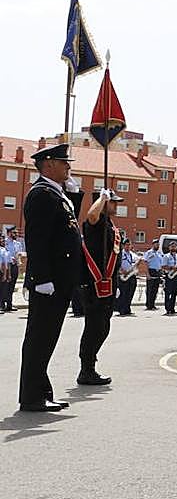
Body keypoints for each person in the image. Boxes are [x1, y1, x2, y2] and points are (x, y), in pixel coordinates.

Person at [18, 144, 84, 412]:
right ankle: (32, 397)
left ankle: (41, 392)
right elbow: (38, 240)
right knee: (40, 339)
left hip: (59, 280)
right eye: (63, 162)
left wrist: (75, 194)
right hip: (49, 282)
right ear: (48, 165)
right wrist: (41, 277)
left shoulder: (55, 193)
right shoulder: (42, 194)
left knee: (46, 339)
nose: (68, 166)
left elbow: (67, 227)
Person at [78, 189, 123, 385]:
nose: (117, 205)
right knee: (94, 327)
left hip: (108, 284)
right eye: (113, 202)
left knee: (103, 327)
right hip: (94, 284)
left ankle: (90, 366)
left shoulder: (110, 225)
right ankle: (86, 370)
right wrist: (102, 198)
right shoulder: (95, 223)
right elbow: (90, 216)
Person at [115, 238, 138, 316]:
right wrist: (122, 270)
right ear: (123, 245)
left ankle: (127, 309)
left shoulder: (133, 254)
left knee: (130, 293)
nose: (128, 246)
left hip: (131, 275)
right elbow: (117, 264)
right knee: (123, 293)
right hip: (123, 275)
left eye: (129, 245)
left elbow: (135, 264)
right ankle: (122, 309)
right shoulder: (120, 254)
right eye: (126, 245)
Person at [161, 242, 177, 315]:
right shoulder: (166, 256)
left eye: (174, 246)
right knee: (168, 293)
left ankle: (172, 308)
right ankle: (167, 309)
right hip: (169, 276)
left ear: (176, 247)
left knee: (174, 293)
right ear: (169, 247)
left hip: (176, 276)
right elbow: (163, 266)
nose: (173, 248)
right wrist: (171, 268)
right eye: (172, 246)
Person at [143, 245, 163, 310]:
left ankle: (153, 304)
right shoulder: (149, 253)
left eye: (158, 244)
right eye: (156, 244)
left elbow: (160, 263)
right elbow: (145, 263)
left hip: (157, 272)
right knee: (150, 290)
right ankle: (148, 305)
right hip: (151, 271)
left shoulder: (159, 253)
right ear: (153, 244)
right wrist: (147, 274)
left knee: (155, 290)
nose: (157, 245)